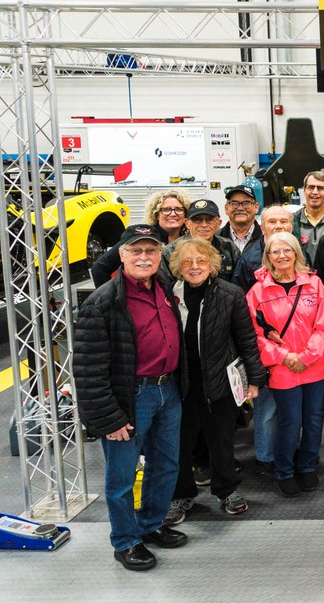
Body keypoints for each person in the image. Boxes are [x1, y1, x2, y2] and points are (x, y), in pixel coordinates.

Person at [76, 224, 189, 572]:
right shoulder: (103, 301)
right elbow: (88, 367)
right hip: (131, 395)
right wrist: (108, 418)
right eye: (136, 251)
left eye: (151, 251)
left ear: (160, 256)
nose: (144, 257)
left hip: (167, 389)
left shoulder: (165, 288)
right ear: (121, 255)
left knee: (165, 464)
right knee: (122, 477)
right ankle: (125, 541)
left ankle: (152, 523)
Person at [164, 237, 267, 525]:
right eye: (187, 261)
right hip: (180, 385)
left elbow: (247, 340)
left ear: (213, 265)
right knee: (180, 444)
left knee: (221, 441)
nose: (194, 266)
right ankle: (181, 495)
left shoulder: (231, 294)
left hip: (220, 383)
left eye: (201, 261)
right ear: (177, 267)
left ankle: (227, 491)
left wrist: (255, 379)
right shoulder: (168, 294)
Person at [247, 232, 324, 497]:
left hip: (315, 366)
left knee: (314, 419)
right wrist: (285, 357)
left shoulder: (314, 284)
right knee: (289, 420)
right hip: (282, 368)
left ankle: (307, 466)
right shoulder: (257, 292)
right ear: (268, 257)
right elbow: (255, 336)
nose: (282, 256)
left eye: (287, 250)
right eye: (275, 251)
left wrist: (306, 357)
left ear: (297, 253)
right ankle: (284, 470)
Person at [229, 204, 295, 477]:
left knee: (291, 411)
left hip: (295, 351)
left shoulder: (298, 256)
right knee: (267, 409)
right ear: (262, 226)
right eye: (272, 222)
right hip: (263, 350)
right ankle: (266, 458)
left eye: (284, 221)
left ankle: (288, 453)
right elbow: (240, 308)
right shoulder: (249, 260)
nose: (279, 226)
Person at [90, 189, 192, 287]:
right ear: (156, 215)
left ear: (186, 215)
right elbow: (99, 269)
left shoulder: (190, 240)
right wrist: (112, 299)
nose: (173, 214)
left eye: (179, 209)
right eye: (166, 209)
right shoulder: (142, 237)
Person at [165, 199, 236, 283]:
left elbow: (238, 283)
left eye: (209, 220)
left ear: (218, 223)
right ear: (187, 223)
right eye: (197, 220)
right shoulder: (171, 251)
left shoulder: (228, 247)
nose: (204, 225)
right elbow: (166, 287)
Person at [293, 170, 324, 266]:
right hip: (302, 279)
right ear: (304, 190)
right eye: (311, 187)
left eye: (320, 188)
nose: (315, 192)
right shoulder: (292, 221)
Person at [219, 184, 261, 261]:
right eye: (234, 203)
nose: (240, 208)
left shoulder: (266, 238)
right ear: (226, 208)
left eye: (246, 203)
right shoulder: (215, 238)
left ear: (256, 207)